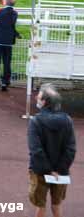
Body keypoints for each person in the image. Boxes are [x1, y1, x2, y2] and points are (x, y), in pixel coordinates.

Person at [28, 84, 77, 217]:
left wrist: (49, 170)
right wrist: (59, 169)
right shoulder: (67, 120)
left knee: (40, 205)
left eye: (38, 97)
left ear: (44, 102)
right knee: (57, 204)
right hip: (61, 172)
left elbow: (36, 150)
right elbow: (71, 148)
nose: (36, 99)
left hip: (39, 171)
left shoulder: (35, 121)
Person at [0, 0, 18, 92]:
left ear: (5, 2)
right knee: (7, 63)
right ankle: (5, 82)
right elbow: (8, 8)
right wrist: (4, 1)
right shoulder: (15, 13)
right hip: (8, 41)